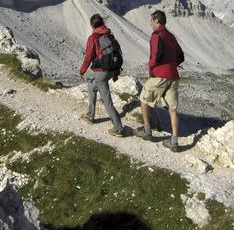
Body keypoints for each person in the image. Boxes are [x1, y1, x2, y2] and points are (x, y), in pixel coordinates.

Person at [135, 9, 184, 151]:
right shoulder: (170, 36)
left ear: (157, 21)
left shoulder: (156, 35)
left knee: (144, 100)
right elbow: (181, 55)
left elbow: (155, 55)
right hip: (173, 76)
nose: (151, 24)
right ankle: (174, 141)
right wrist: (172, 64)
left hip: (159, 75)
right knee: (172, 109)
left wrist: (151, 66)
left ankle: (147, 130)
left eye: (152, 21)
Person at [78, 14, 126, 137]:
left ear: (92, 25)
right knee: (91, 87)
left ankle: (118, 128)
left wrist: (82, 70)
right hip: (111, 70)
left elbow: (88, 56)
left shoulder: (93, 37)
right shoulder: (109, 34)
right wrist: (116, 72)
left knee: (107, 101)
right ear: (102, 22)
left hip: (101, 72)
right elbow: (116, 52)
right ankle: (90, 115)